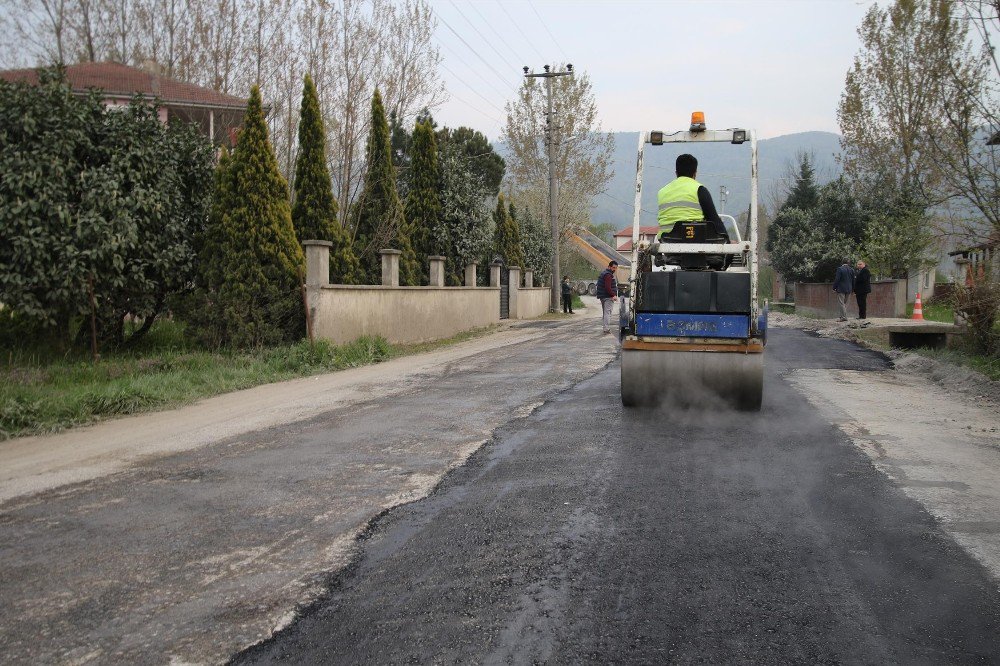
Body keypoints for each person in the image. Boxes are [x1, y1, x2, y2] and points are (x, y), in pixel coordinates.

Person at [657, 153, 728, 239]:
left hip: (666, 240)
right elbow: (714, 220)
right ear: (695, 173)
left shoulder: (662, 192)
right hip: (694, 240)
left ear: (676, 173)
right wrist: (727, 241)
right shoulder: (699, 189)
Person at [595, 260, 618, 334]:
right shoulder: (608, 275)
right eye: (613, 267)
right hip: (608, 297)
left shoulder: (604, 273)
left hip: (603, 296)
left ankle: (605, 328)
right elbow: (608, 287)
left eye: (616, 268)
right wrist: (613, 295)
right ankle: (606, 329)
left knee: (605, 313)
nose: (614, 269)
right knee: (608, 313)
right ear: (609, 267)